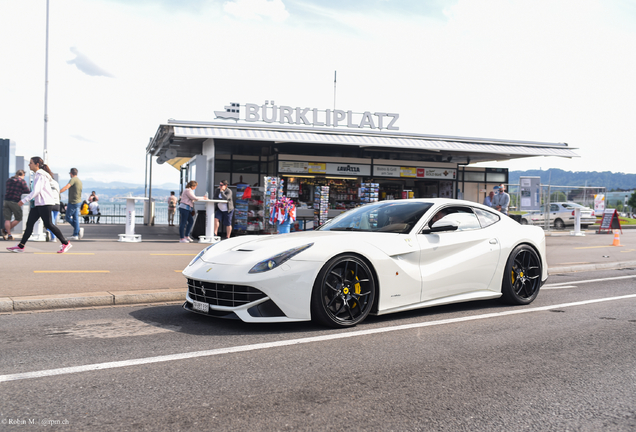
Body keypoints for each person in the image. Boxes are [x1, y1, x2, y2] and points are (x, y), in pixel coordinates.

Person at [6, 157, 72, 253]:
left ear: (37, 164)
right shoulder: (38, 174)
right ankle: (21, 246)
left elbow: (37, 190)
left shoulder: (40, 174)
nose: (29, 165)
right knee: (29, 224)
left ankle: (65, 243)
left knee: (48, 224)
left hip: (44, 203)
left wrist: (24, 200)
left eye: (31, 163)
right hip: (39, 203)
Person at [3, 169, 30, 241]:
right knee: (18, 218)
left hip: (6, 200)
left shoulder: (9, 180)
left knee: (7, 219)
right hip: (15, 201)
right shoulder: (22, 181)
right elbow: (27, 191)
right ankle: (6, 230)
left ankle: (8, 234)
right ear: (23, 175)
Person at [59, 168, 83, 240]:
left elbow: (67, 187)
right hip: (78, 202)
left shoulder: (73, 179)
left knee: (67, 217)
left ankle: (78, 229)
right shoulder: (79, 181)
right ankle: (75, 235)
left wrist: (58, 192)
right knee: (75, 218)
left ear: (71, 173)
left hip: (73, 202)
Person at [47, 176, 61, 242]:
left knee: (51, 222)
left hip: (50, 203)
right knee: (52, 221)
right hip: (57, 204)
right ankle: (49, 231)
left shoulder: (46, 183)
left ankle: (53, 237)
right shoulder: (56, 183)